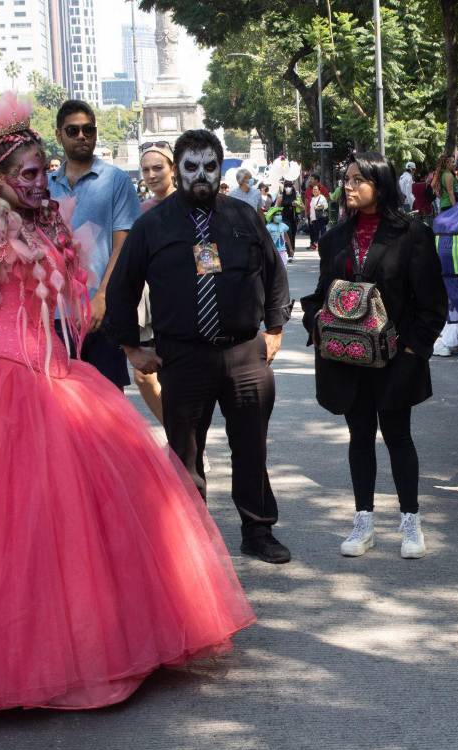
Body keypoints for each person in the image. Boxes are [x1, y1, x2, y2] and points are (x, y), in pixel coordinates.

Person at [0, 94, 255, 720]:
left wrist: (61, 259)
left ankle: (83, 645)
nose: (39, 182)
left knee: (72, 519)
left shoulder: (51, 223)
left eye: (40, 172)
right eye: (26, 174)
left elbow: (70, 300)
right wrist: (4, 246)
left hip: (54, 372)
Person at [106, 129, 293, 565]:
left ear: (219, 166)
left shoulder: (244, 218)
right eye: (191, 167)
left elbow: (274, 271)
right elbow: (122, 288)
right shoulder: (152, 225)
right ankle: (194, 537)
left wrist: (275, 327)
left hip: (245, 352)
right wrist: (132, 348)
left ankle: (258, 529)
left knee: (252, 445)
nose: (201, 175)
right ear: (178, 169)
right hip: (183, 357)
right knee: (186, 451)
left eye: (209, 166)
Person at [301, 153, 447, 558]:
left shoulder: (412, 234)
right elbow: (318, 296)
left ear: (379, 185)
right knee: (359, 437)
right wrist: (318, 321)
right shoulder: (333, 238)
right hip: (346, 360)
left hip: (395, 359)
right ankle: (363, 520)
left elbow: (432, 301)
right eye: (345, 179)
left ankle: (411, 522)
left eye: (356, 180)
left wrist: (414, 349)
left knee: (398, 436)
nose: (347, 186)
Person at [48, 99, 141, 388]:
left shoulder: (115, 181)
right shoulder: (44, 185)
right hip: (52, 314)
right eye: (73, 130)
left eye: (88, 129)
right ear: (58, 135)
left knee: (107, 402)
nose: (81, 136)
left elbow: (123, 245)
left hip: (100, 312)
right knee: (61, 405)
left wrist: (102, 297)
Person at [133, 141, 177, 424]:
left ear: (173, 168)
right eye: (146, 169)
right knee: (143, 375)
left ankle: (187, 443)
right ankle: (177, 435)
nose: (151, 175)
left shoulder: (190, 204)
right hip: (147, 300)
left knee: (180, 377)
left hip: (183, 300)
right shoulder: (140, 210)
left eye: (158, 167)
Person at [277, 177, 299, 261]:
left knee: (293, 236)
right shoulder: (281, 196)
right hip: (284, 218)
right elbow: (276, 207)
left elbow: (302, 207)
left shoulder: (296, 195)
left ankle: (292, 252)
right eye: (286, 186)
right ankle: (289, 253)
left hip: (294, 218)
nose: (288, 188)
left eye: (289, 186)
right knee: (288, 235)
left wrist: (297, 204)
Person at [308, 183, 329, 249]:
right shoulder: (312, 199)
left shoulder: (322, 197)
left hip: (321, 217)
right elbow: (311, 209)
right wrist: (311, 219)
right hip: (314, 218)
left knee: (322, 231)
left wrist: (319, 207)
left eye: (316, 189)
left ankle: (323, 244)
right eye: (313, 189)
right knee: (315, 232)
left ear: (319, 191)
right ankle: (317, 244)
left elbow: (326, 206)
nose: (314, 191)